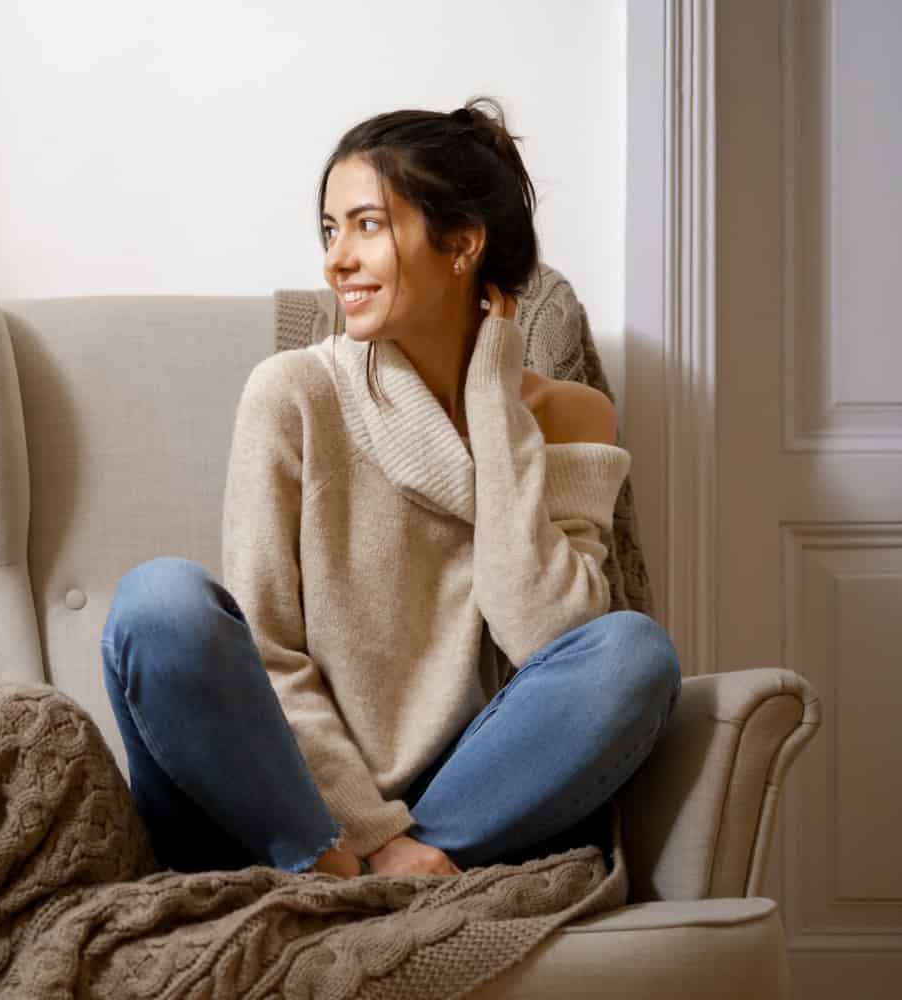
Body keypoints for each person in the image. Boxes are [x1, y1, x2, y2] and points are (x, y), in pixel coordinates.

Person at [99, 98, 681, 879]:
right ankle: (359, 877)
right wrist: (368, 838)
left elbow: (548, 634)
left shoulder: (573, 416)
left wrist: (494, 400)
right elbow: (268, 653)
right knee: (158, 602)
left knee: (631, 651)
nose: (336, 260)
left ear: (462, 245)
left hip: (461, 803)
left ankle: (402, 873)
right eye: (330, 230)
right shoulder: (294, 392)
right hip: (274, 807)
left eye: (366, 225)